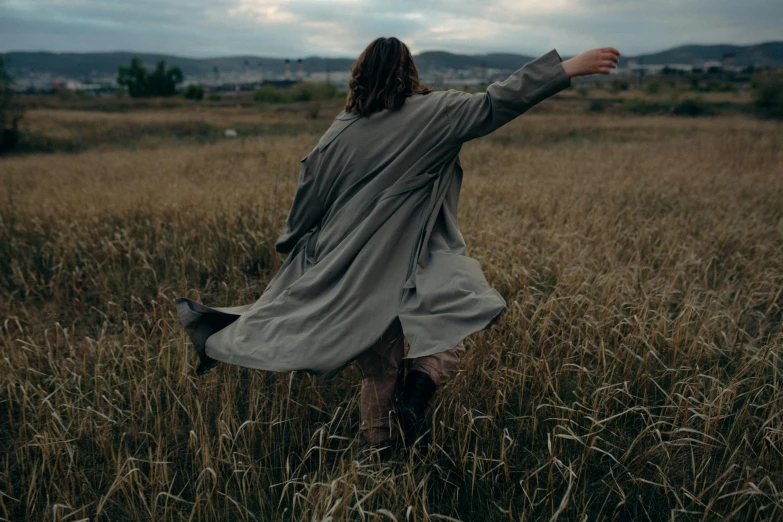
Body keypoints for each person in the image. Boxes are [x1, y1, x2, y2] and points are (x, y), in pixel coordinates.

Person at [175, 37, 620, 449]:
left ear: (359, 76)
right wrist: (567, 69)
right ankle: (417, 393)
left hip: (351, 267)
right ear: (409, 72)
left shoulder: (338, 133)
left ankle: (381, 452)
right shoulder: (435, 112)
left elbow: (307, 198)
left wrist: (298, 246)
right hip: (415, 258)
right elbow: (495, 102)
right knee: (456, 315)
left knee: (378, 365)